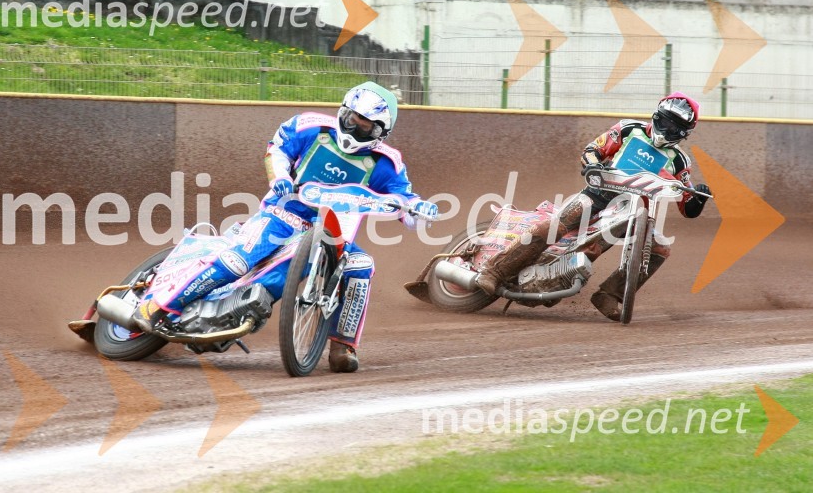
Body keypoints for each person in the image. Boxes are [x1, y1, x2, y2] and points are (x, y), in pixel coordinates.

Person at [134, 81, 438, 372]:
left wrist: (419, 211)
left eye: (364, 124)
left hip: (332, 234)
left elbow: (405, 204)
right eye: (350, 117)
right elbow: (276, 148)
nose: (353, 126)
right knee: (239, 260)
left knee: (361, 265)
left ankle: (342, 347)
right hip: (281, 215)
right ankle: (159, 306)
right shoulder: (309, 126)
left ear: (380, 132)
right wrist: (279, 177)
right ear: (341, 111)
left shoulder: (388, 163)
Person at [475, 92, 712, 320]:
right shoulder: (629, 129)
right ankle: (495, 271)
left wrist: (699, 197)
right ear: (656, 116)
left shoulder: (680, 161)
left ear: (684, 132)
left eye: (674, 127)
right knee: (558, 226)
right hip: (597, 195)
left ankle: (609, 295)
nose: (667, 129)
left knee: (661, 248)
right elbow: (592, 151)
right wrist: (593, 165)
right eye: (665, 122)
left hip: (634, 213)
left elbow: (687, 207)